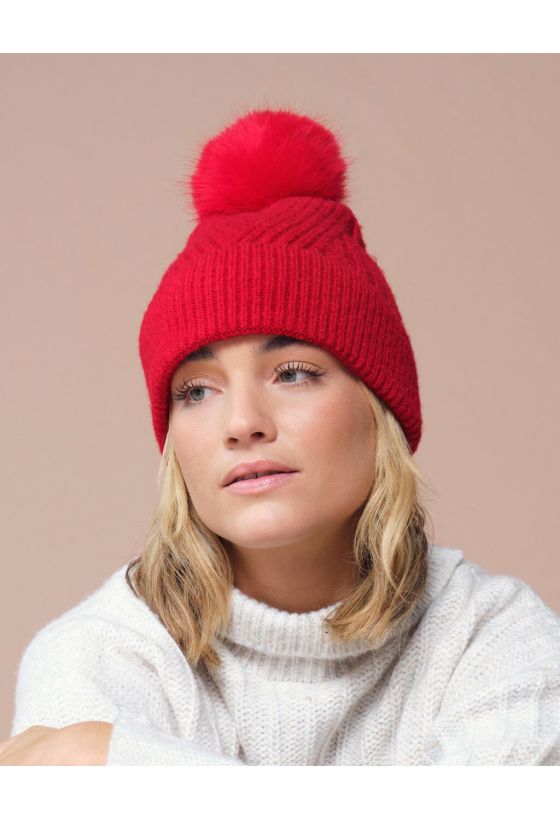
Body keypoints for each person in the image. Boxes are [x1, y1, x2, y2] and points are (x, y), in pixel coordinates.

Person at [3, 107, 560, 766]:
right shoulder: (94, 654)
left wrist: (113, 759)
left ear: (379, 406)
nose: (243, 423)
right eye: (197, 390)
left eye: (293, 373)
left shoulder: (492, 634)